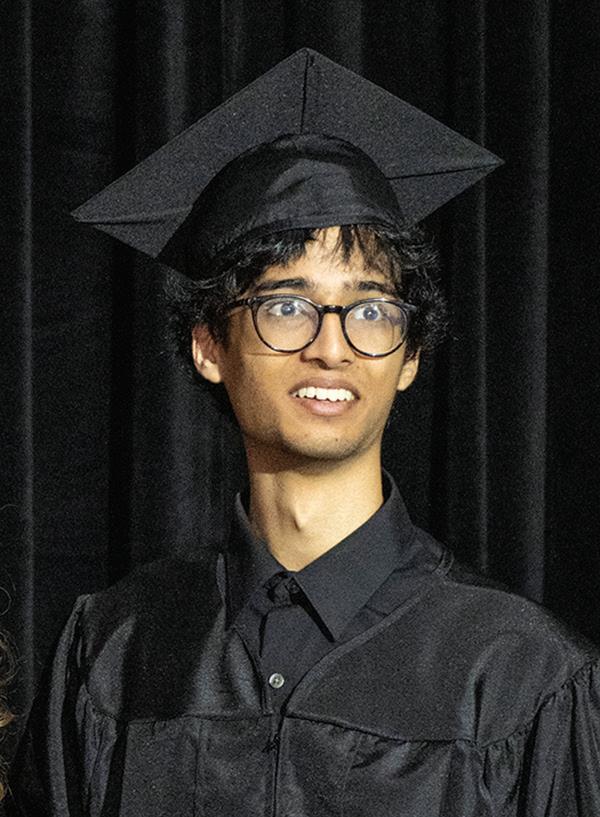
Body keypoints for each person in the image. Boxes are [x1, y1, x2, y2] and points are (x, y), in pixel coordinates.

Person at [7, 49, 600, 816]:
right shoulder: (116, 652)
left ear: (410, 356)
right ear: (209, 344)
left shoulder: (523, 674)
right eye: (286, 306)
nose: (332, 346)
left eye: (371, 310)